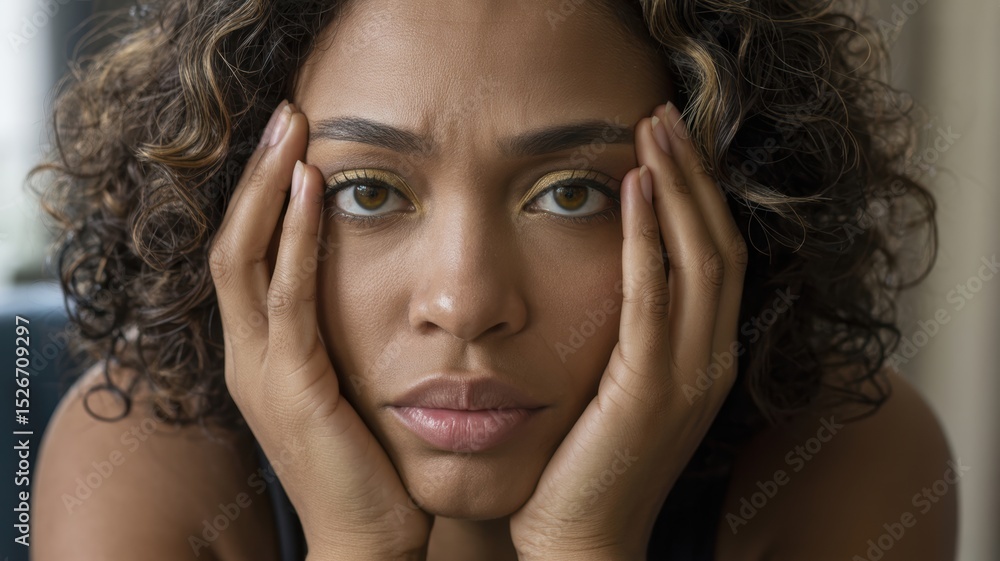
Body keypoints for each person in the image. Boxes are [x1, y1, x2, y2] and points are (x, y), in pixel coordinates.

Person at [31, 0, 956, 559]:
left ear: (725, 210)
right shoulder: (144, 473)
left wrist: (583, 548)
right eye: (365, 192)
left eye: (569, 194)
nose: (464, 301)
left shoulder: (844, 462)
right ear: (236, 220)